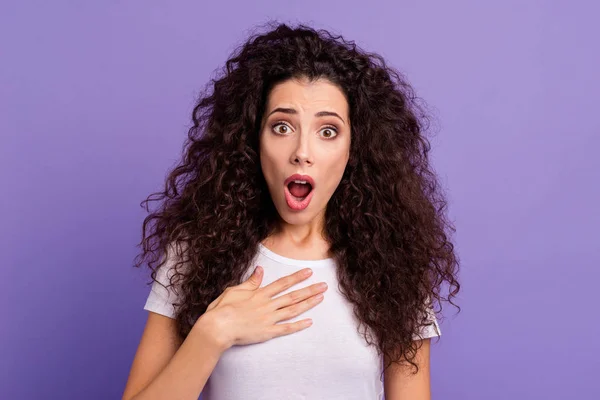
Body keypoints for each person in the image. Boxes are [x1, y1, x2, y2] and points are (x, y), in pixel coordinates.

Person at [122, 22, 460, 400]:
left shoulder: (396, 265)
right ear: (253, 139)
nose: (302, 151)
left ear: (355, 149)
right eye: (282, 126)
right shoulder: (197, 250)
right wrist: (212, 333)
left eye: (327, 131)